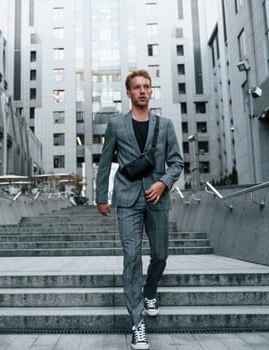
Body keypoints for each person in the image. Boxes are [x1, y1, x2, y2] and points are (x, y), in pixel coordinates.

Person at [96, 69, 183, 350]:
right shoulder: (116, 125)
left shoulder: (165, 125)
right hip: (127, 199)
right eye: (137, 87)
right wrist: (101, 197)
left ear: (151, 91)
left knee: (160, 254)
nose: (142, 91)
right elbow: (105, 162)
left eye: (147, 86)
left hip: (157, 198)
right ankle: (137, 324)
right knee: (132, 256)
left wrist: (162, 183)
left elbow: (177, 163)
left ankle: (150, 290)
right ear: (129, 93)